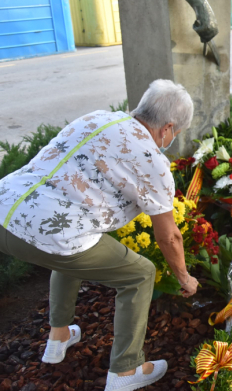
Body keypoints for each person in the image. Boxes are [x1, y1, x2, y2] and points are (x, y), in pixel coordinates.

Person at [0, 80, 198, 391]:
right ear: (167, 129)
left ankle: (59, 337)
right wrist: (184, 277)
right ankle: (126, 369)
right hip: (46, 232)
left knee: (72, 242)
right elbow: (168, 236)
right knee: (140, 273)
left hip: (5, 211)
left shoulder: (99, 117)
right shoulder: (153, 160)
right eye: (177, 133)